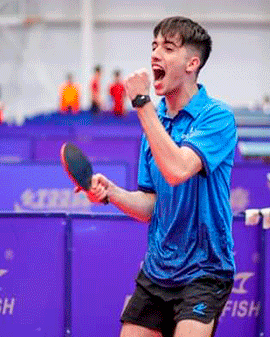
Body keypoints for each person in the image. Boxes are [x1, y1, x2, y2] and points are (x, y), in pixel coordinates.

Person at [83, 16, 236, 337]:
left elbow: (179, 169)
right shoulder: (155, 126)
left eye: (168, 48)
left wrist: (142, 104)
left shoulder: (217, 117)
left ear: (192, 63)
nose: (155, 54)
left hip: (205, 270)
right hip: (158, 270)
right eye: (153, 46)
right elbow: (151, 204)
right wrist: (113, 193)